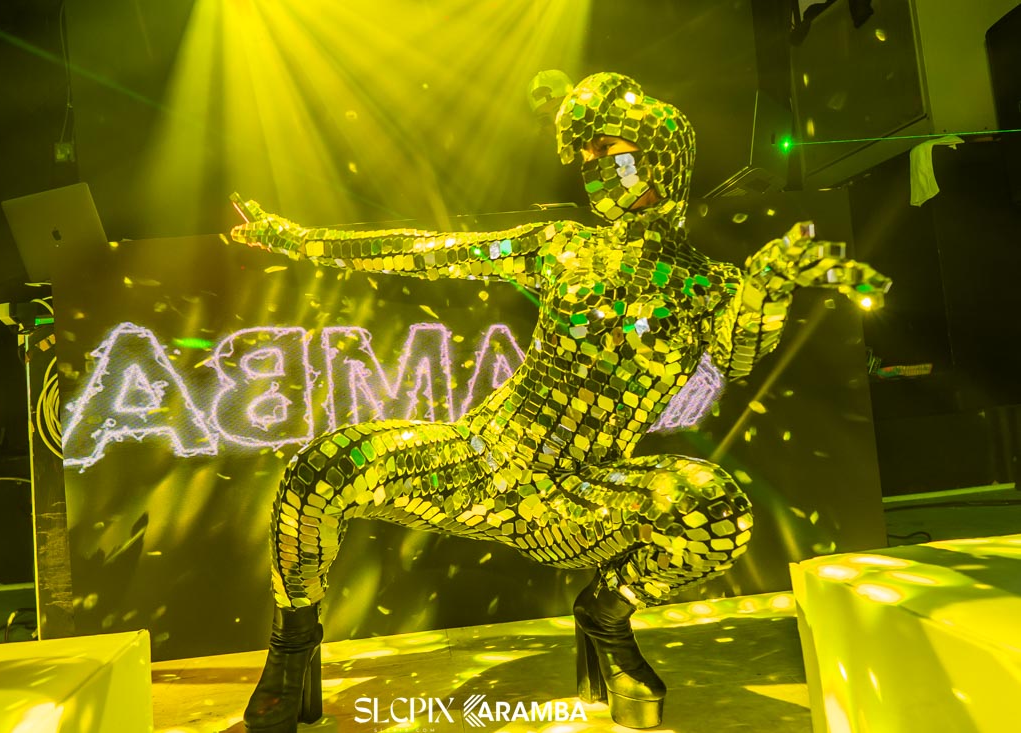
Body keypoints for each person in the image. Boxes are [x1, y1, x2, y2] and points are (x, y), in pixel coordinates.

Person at [229, 71, 890, 733]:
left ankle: (607, 616)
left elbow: (741, 353)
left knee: (713, 510)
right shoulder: (564, 246)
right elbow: (424, 252)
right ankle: (292, 644)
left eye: (610, 150)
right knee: (319, 469)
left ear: (661, 156)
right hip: (479, 463)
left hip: (578, 497)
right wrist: (295, 239)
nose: (596, 168)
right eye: (588, 155)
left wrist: (770, 282)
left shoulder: (707, 286)